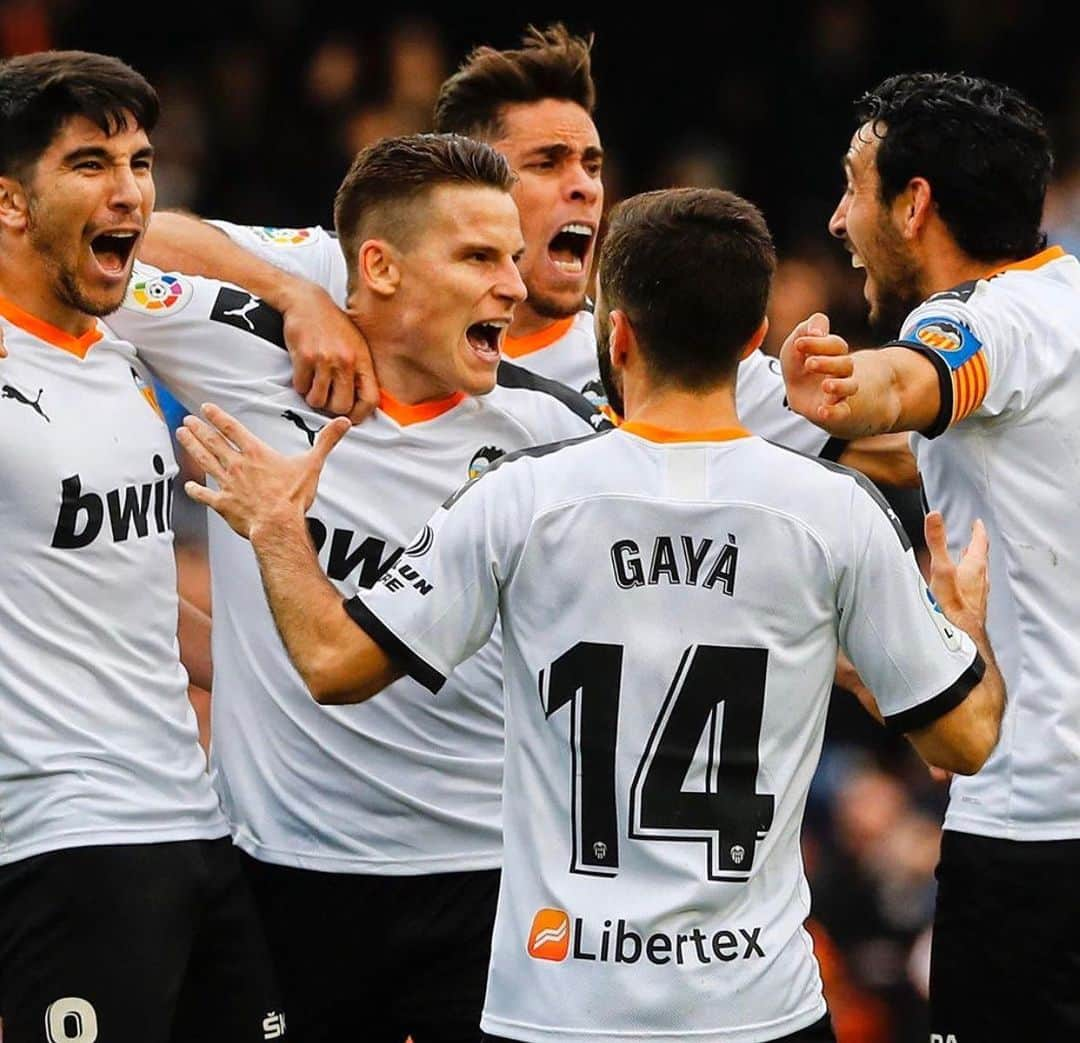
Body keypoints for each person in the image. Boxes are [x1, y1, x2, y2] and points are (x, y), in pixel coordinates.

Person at [178, 186, 1005, 1043]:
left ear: (618, 336)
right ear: (752, 340)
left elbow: (332, 663)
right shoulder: (835, 511)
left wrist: (278, 531)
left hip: (559, 1004)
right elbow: (967, 741)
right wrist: (965, 630)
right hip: (756, 1005)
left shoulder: (518, 496)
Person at [106, 132, 605, 1043]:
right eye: (480, 257)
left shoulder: (553, 430)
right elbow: (108, 246)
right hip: (284, 871)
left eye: (514, 259)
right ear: (376, 267)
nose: (515, 287)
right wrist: (295, 292)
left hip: (489, 874)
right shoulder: (243, 353)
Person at [136, 24, 913, 487]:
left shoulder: (642, 353)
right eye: (546, 164)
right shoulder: (351, 273)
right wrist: (294, 297)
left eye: (594, 166)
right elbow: (151, 236)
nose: (583, 190)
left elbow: (893, 448)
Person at [780, 71, 1080, 1041]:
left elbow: (905, 387)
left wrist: (830, 385)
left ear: (914, 205)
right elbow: (929, 441)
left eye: (852, 186)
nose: (836, 219)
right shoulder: (1066, 298)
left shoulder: (981, 320)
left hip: (1036, 832)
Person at [0, 51, 283, 1043]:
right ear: (9, 202)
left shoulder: (121, 358)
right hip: (63, 837)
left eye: (140, 160)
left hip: (194, 818)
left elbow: (131, 594)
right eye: (90, 163)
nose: (129, 190)